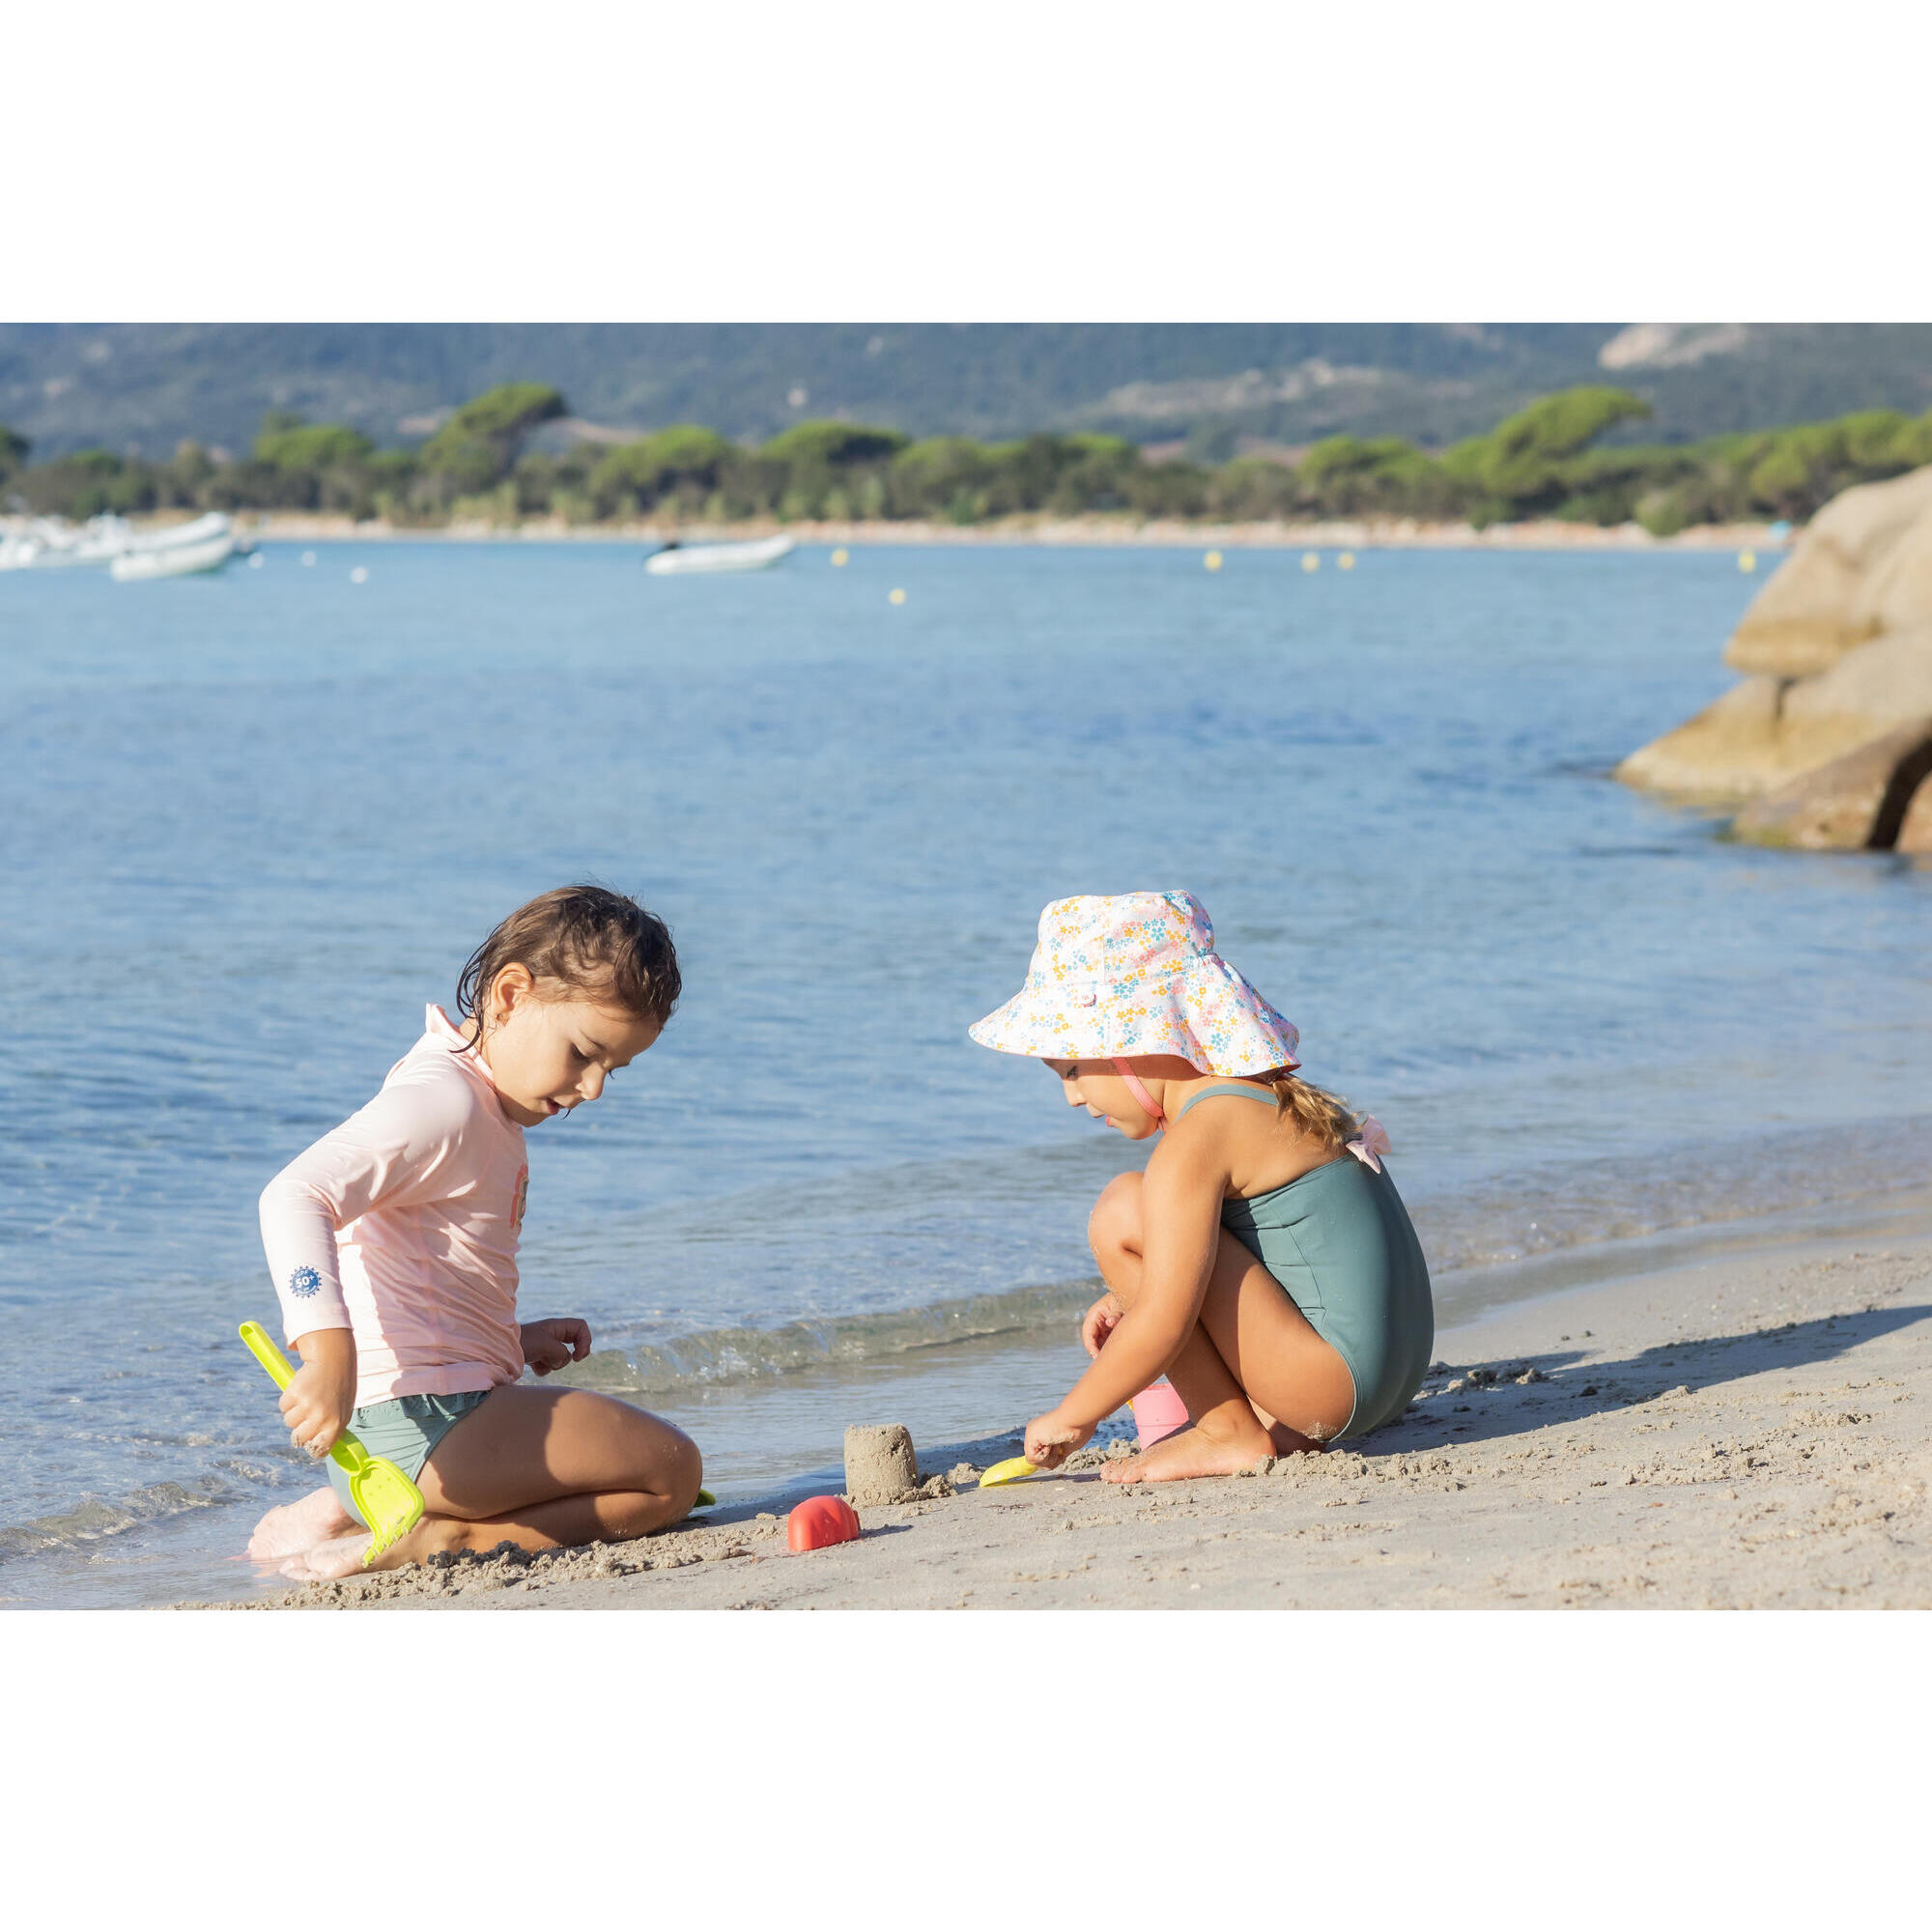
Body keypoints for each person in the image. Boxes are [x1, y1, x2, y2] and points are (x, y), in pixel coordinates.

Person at [245, 884, 702, 1580]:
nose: (595, 1088)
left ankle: (348, 1509)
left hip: (396, 1441)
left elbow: (413, 1277)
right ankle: (450, 1540)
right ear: (510, 996)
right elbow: (294, 1195)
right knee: (668, 1474)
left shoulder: (476, 1101)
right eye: (584, 1052)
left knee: (635, 1465)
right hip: (428, 1434)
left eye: (615, 1068)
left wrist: (510, 1341)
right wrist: (327, 1353)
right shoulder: (446, 1103)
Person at [969, 891, 1432, 1485]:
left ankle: (1225, 1432)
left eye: (1075, 1070)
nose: (1072, 1097)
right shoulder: (1260, 1096)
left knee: (1121, 1211)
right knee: (1148, 1227)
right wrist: (1124, 1297)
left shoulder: (1196, 1141)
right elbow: (1292, 1249)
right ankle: (1249, 1422)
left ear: (1136, 1040)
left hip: (1330, 1389)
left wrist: (1074, 1415)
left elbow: (1164, 1319)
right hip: (1390, 1379)